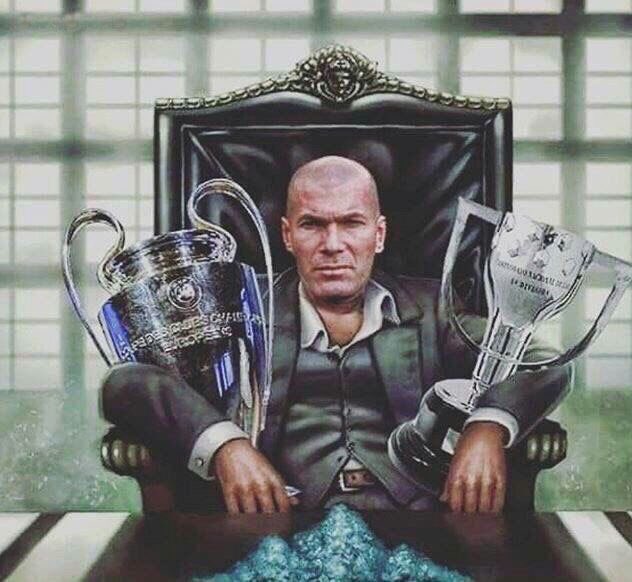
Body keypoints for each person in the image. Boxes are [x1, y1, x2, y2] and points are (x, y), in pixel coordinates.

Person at [102, 156, 571, 514]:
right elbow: (127, 381)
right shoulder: (240, 306)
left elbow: (545, 360)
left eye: (351, 223)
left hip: (416, 525)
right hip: (282, 526)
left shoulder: (433, 309)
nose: (332, 245)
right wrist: (225, 445)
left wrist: (487, 426)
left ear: (378, 235)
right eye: (312, 225)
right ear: (287, 235)